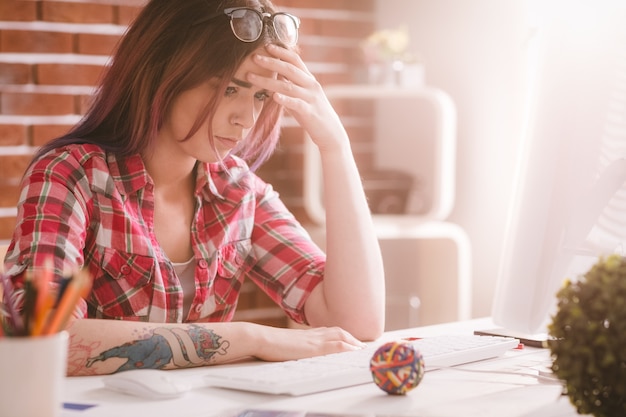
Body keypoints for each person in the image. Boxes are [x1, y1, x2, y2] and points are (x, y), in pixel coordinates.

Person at [2, 0, 385, 376]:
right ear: (164, 74)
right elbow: (42, 337)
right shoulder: (71, 174)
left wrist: (335, 146)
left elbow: (357, 322)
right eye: (230, 90)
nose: (246, 119)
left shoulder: (237, 190)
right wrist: (252, 339)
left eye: (261, 96)